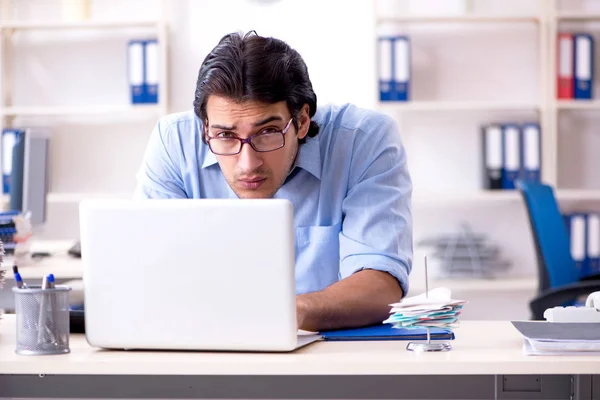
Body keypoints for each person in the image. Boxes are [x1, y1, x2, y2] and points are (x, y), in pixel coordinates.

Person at [134, 31, 413, 332]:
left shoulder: (364, 140)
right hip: (202, 348)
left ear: (302, 121)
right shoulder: (173, 142)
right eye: (226, 136)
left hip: (328, 358)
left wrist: (287, 314)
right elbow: (151, 268)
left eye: (267, 133)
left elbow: (381, 283)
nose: (248, 164)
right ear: (205, 129)